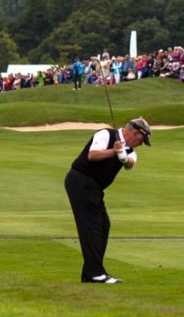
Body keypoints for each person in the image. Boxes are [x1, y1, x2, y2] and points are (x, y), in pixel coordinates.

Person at [64, 118, 152, 284]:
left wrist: (122, 156)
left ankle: (91, 272)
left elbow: (129, 164)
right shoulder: (105, 134)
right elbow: (93, 155)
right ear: (135, 133)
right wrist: (114, 151)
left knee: (103, 225)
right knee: (92, 226)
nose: (141, 144)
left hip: (95, 188)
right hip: (80, 181)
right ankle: (95, 273)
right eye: (141, 140)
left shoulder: (130, 150)